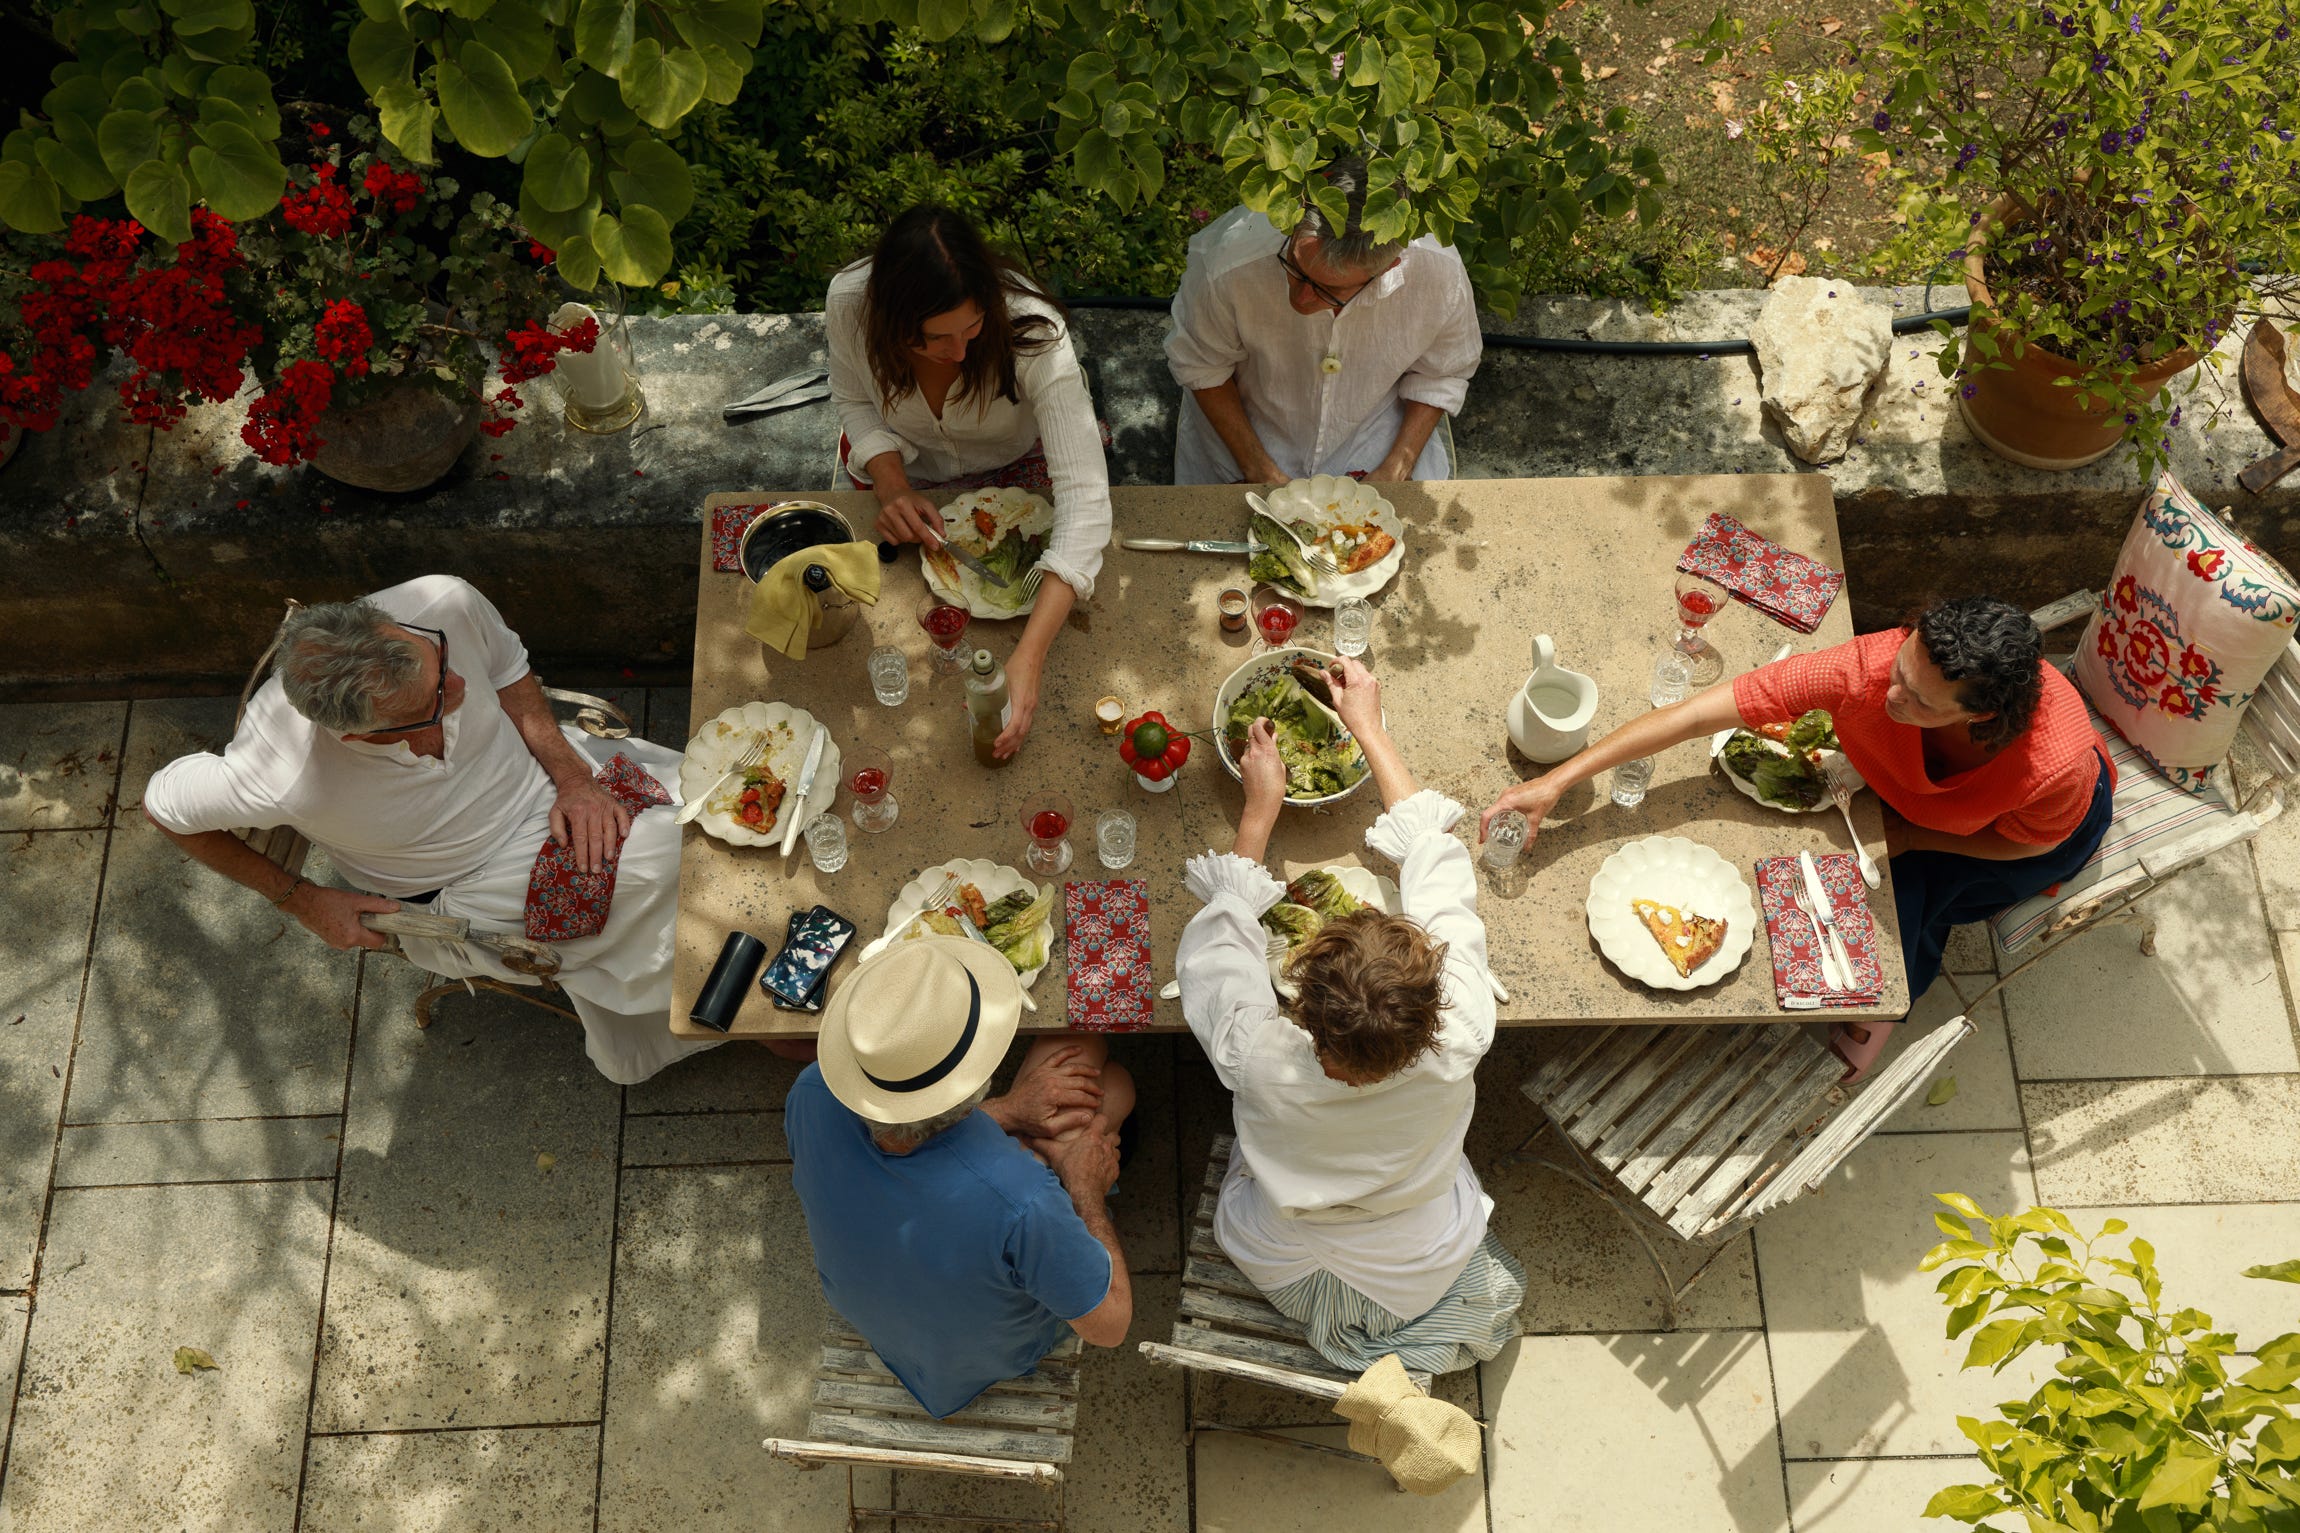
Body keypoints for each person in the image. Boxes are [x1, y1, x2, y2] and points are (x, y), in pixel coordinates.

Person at [1479, 596, 2116, 1077]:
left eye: (1920, 701)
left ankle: (1885, 1008)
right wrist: (1557, 781)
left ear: (1979, 715)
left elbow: (2032, 843)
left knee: (1906, 911)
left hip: (2014, 838)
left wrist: (1914, 840)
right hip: (1916, 811)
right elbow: (1695, 714)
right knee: (1865, 890)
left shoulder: (2053, 765)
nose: (1888, 695)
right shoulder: (1867, 669)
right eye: (1899, 668)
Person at [142, 575, 719, 1086]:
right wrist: (302, 899)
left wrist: (572, 777)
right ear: (358, 736)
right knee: (676, 872)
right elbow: (162, 808)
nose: (462, 686)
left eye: (439, 661)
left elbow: (507, 671)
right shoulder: (277, 774)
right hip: (473, 883)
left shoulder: (441, 604)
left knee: (716, 817)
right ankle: (734, 1003)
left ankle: (739, 975)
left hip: (554, 779)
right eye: (438, 699)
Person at [1176, 657, 1525, 1376]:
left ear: (1300, 1005)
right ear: (1434, 999)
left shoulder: (1258, 1058)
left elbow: (1219, 943)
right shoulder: (1464, 1030)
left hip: (1288, 1256)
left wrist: (1258, 812)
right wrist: (1369, 727)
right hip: (1417, 1256)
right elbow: (1438, 868)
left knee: (1254, 1170)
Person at [787, 938, 1137, 1417]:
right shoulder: (1023, 1202)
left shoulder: (811, 1090)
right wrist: (1084, 1189)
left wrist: (1010, 1110)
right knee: (1113, 1084)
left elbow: (905, 1148)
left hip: (879, 1308)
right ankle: (1074, 1149)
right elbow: (1111, 1327)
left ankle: (1064, 1142)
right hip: (982, 1356)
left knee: (1086, 1065)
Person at [826, 205, 1112, 759]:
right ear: (888, 319)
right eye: (935, 338)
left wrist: (1028, 657)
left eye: (974, 326)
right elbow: (854, 399)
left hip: (1016, 460)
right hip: (907, 467)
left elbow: (1085, 497)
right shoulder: (849, 303)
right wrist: (892, 486)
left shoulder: (1034, 329)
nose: (959, 352)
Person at [1164, 158, 1483, 486]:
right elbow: (1203, 365)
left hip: (1375, 453)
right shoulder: (1230, 260)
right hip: (1243, 451)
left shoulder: (1439, 274)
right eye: (1295, 268)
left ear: (1387, 269)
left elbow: (1439, 373)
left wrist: (1397, 467)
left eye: (1329, 290)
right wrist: (1256, 468)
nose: (1301, 299)